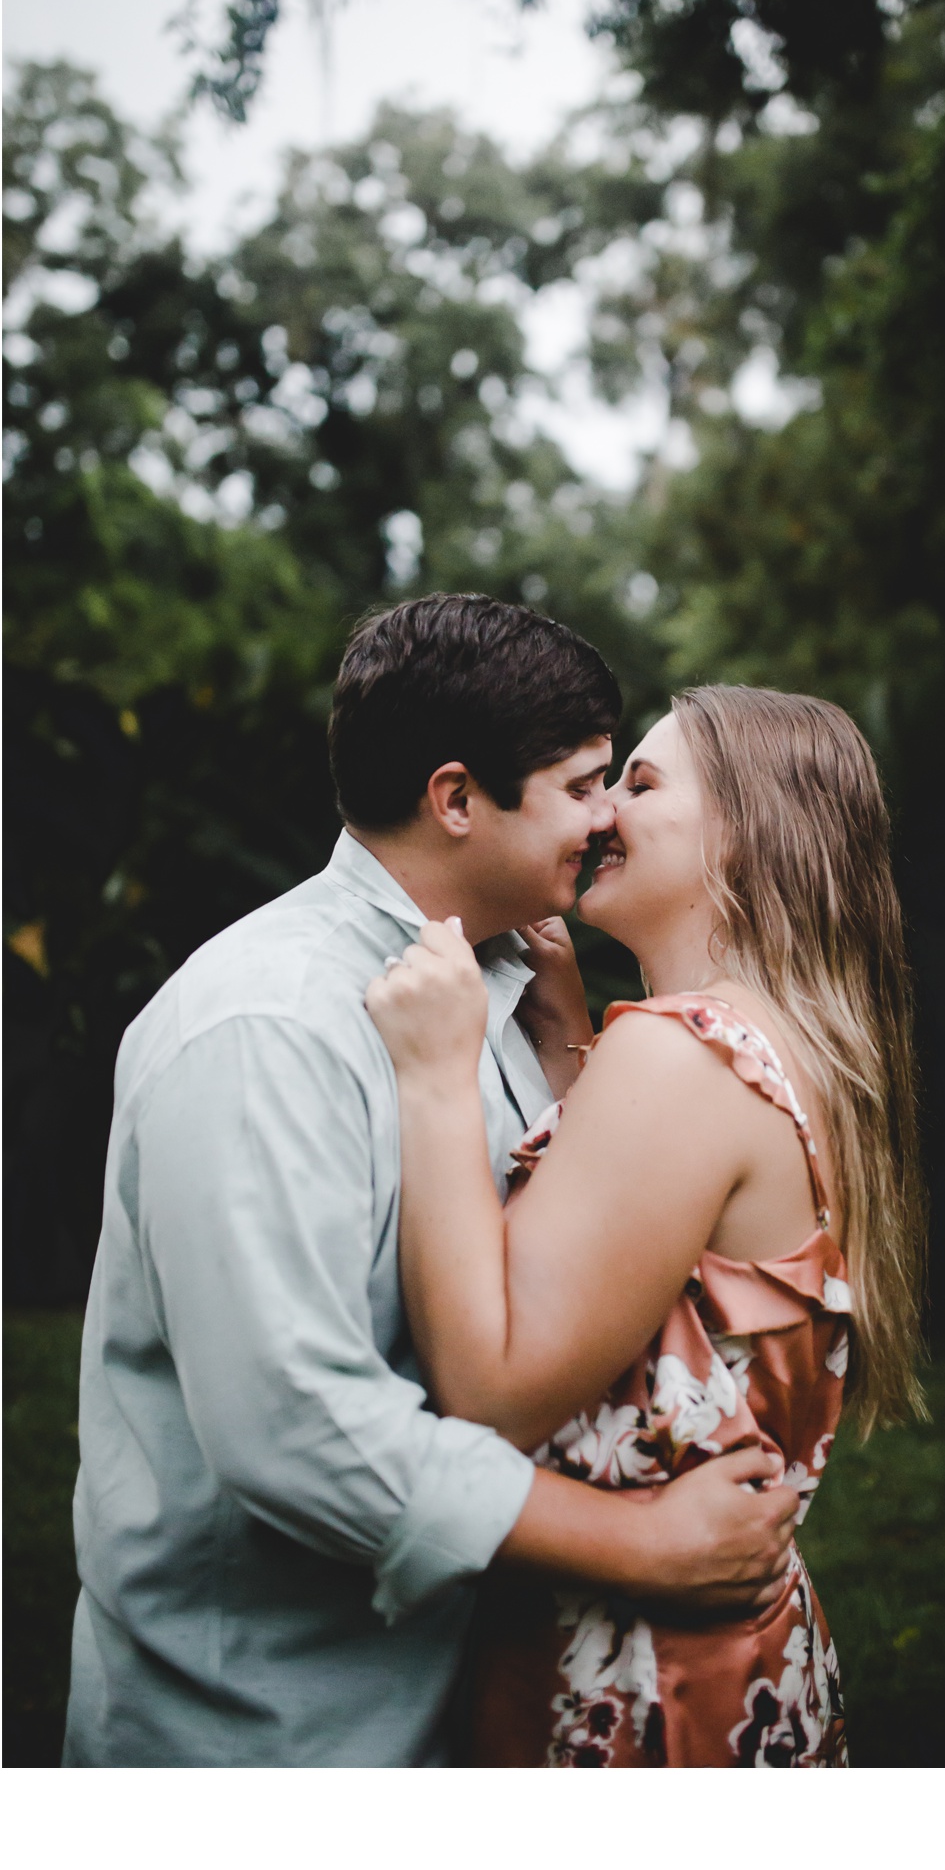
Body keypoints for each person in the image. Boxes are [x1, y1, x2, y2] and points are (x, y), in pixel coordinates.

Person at [63, 597, 797, 1769]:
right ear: (456, 798)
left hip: (467, 1709)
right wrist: (642, 1544)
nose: (609, 818)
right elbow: (293, 1427)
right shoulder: (266, 1029)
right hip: (271, 1734)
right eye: (582, 783)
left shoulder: (495, 979)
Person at [365, 682, 926, 1767]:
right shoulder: (790, 1050)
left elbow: (489, 1385)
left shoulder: (680, 1055)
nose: (601, 808)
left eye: (642, 780)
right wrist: (574, 1028)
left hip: (633, 1685)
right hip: (748, 1664)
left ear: (750, 835)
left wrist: (436, 1073)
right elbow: (671, 1273)